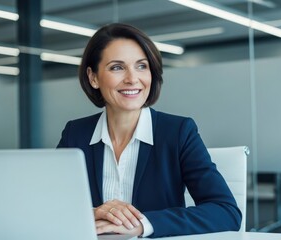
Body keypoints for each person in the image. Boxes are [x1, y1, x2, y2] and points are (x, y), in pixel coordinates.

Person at [57, 23, 241, 238]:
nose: (132, 79)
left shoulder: (178, 132)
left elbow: (226, 212)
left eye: (141, 66)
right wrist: (91, 213)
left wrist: (143, 224)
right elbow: (49, 204)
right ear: (93, 77)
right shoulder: (75, 133)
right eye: (117, 67)